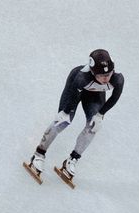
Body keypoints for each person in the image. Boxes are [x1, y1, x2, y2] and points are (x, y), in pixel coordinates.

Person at [24, 50, 124, 186]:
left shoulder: (118, 79)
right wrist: (65, 112)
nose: (106, 78)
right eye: (101, 75)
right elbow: (73, 97)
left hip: (95, 96)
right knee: (62, 122)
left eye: (108, 74)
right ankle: (39, 154)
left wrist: (100, 114)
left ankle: (72, 159)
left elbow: (114, 98)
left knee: (93, 127)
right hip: (74, 92)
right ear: (93, 72)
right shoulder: (81, 77)